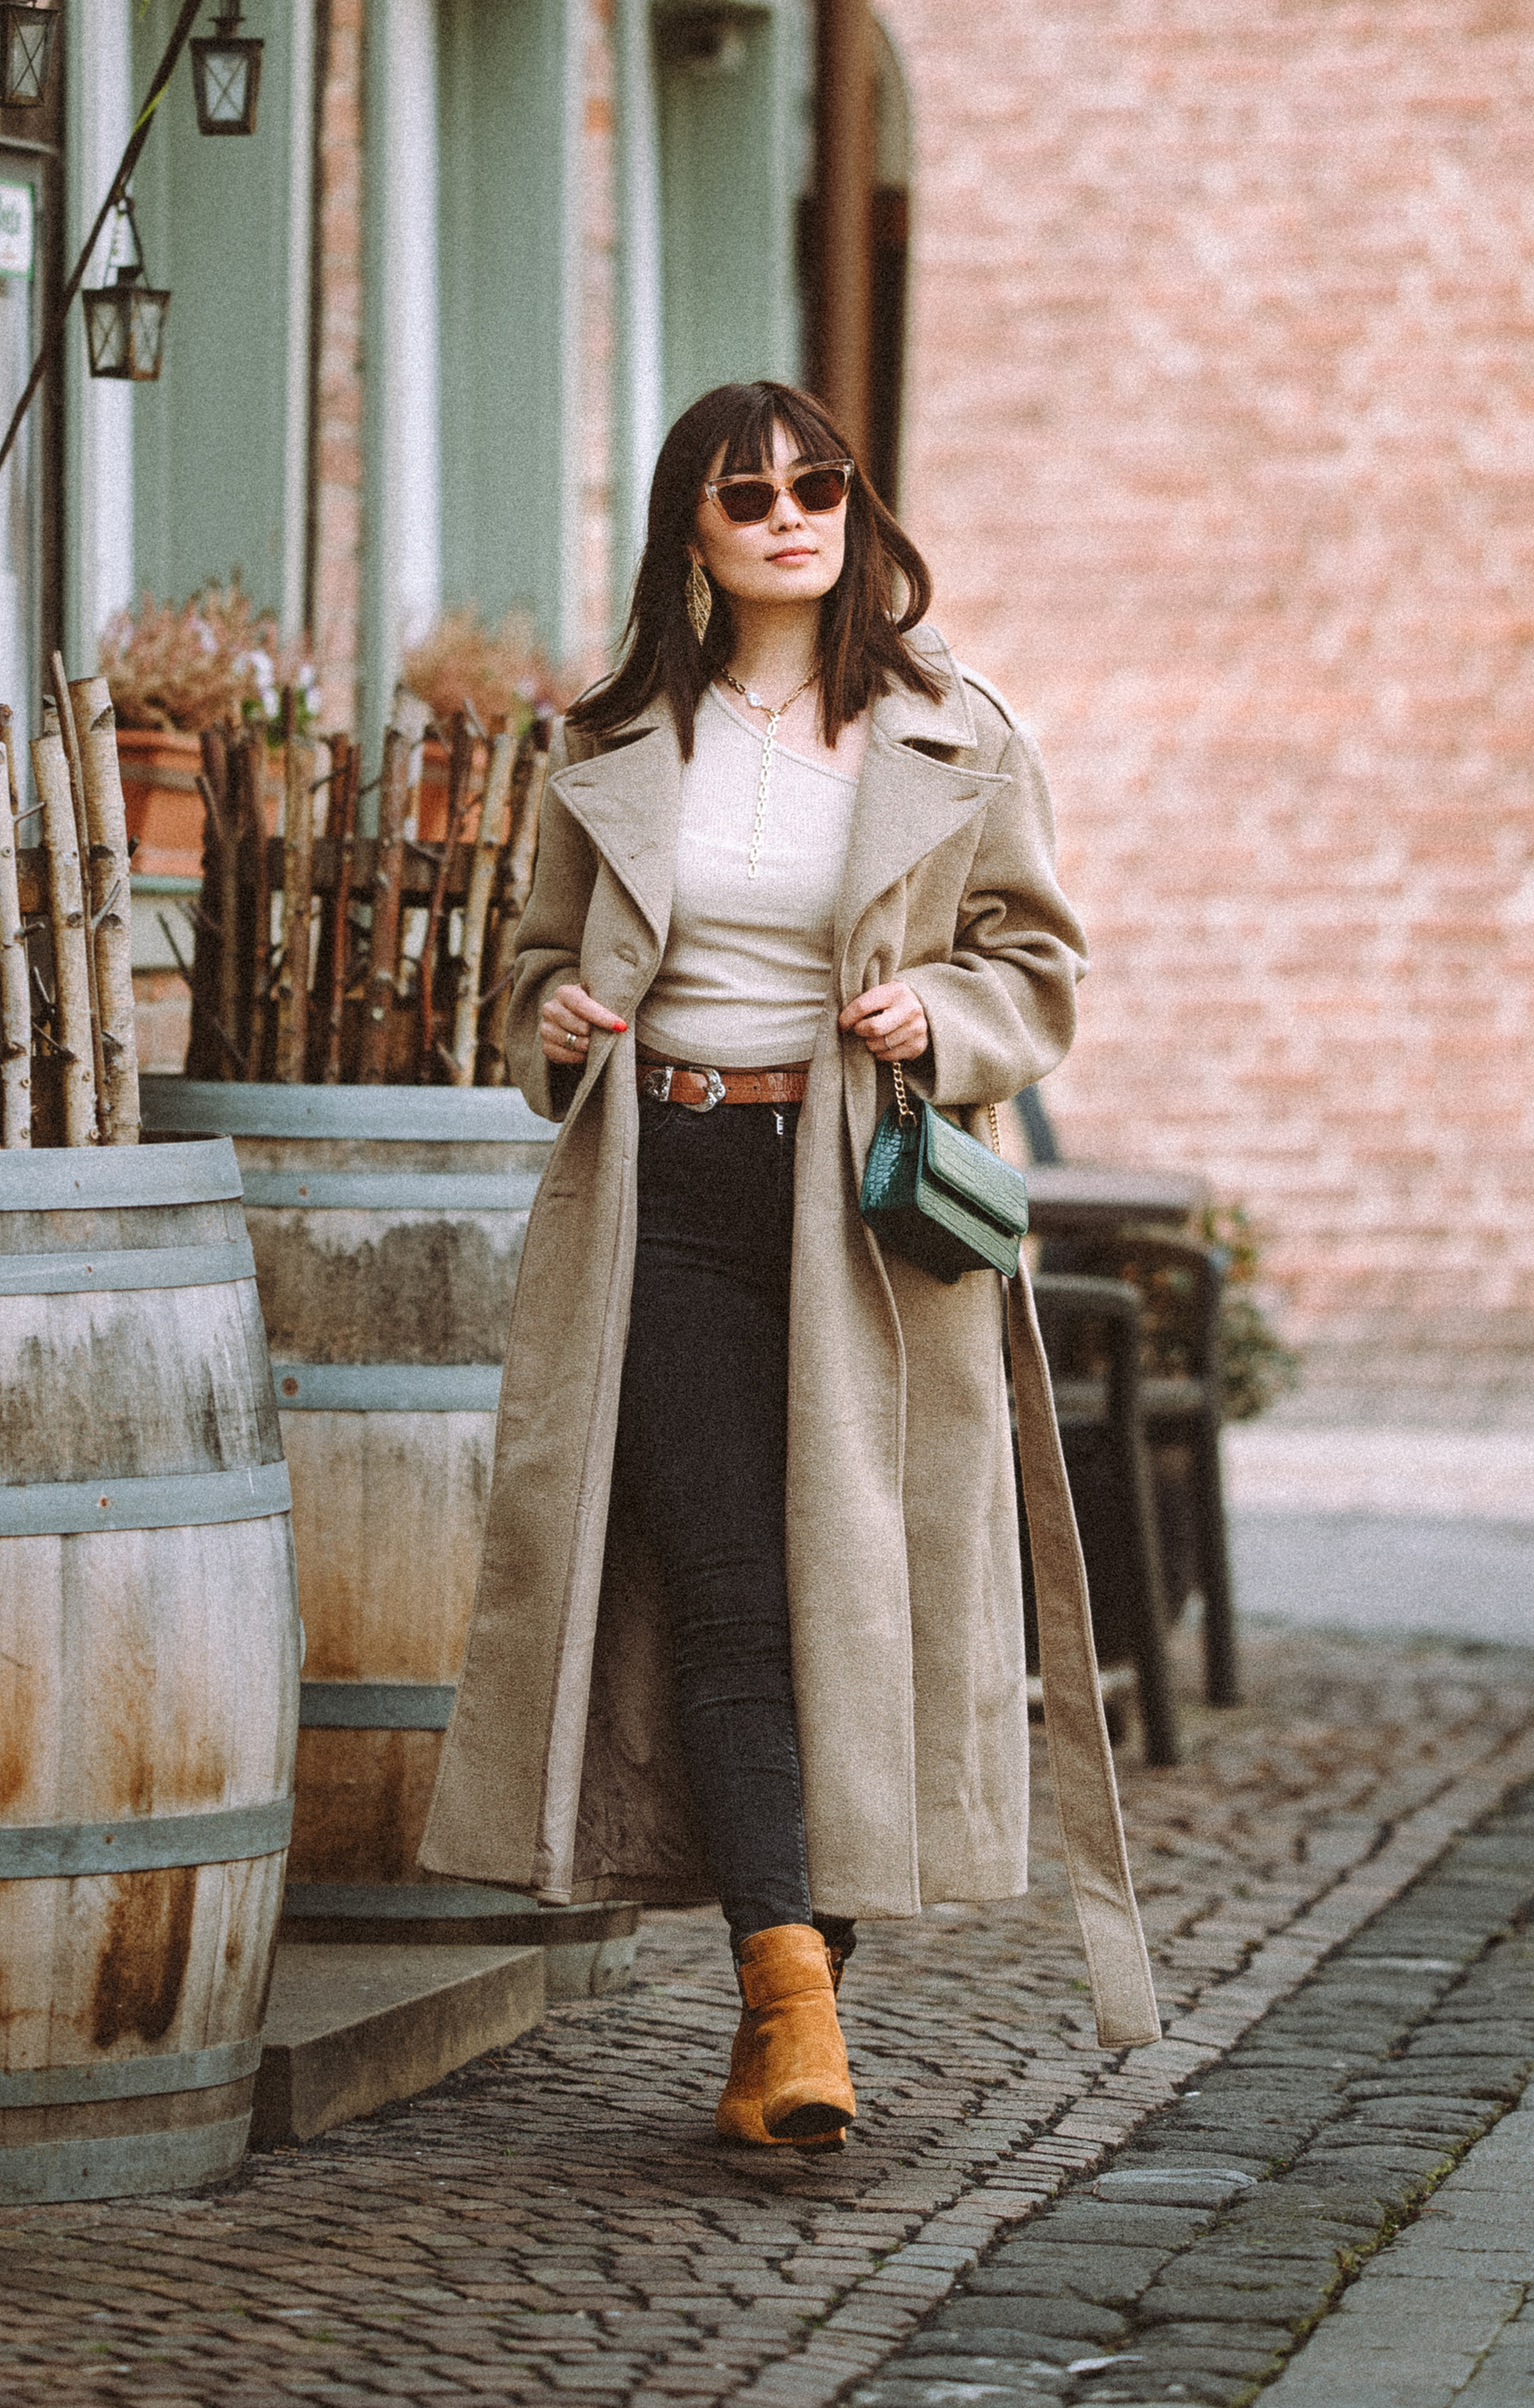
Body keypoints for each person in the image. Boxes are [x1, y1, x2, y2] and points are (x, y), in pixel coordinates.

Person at [419, 380, 1157, 2141]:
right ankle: (790, 1994)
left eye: (816, 484)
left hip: (858, 1211)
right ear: (695, 529)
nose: (789, 514)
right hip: (664, 1187)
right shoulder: (605, 745)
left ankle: (791, 2001)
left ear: (854, 505)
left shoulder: (952, 729)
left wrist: (945, 1011)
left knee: (856, 1597)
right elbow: (523, 977)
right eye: (748, 494)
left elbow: (1037, 968)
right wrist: (559, 1011)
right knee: (734, 1598)